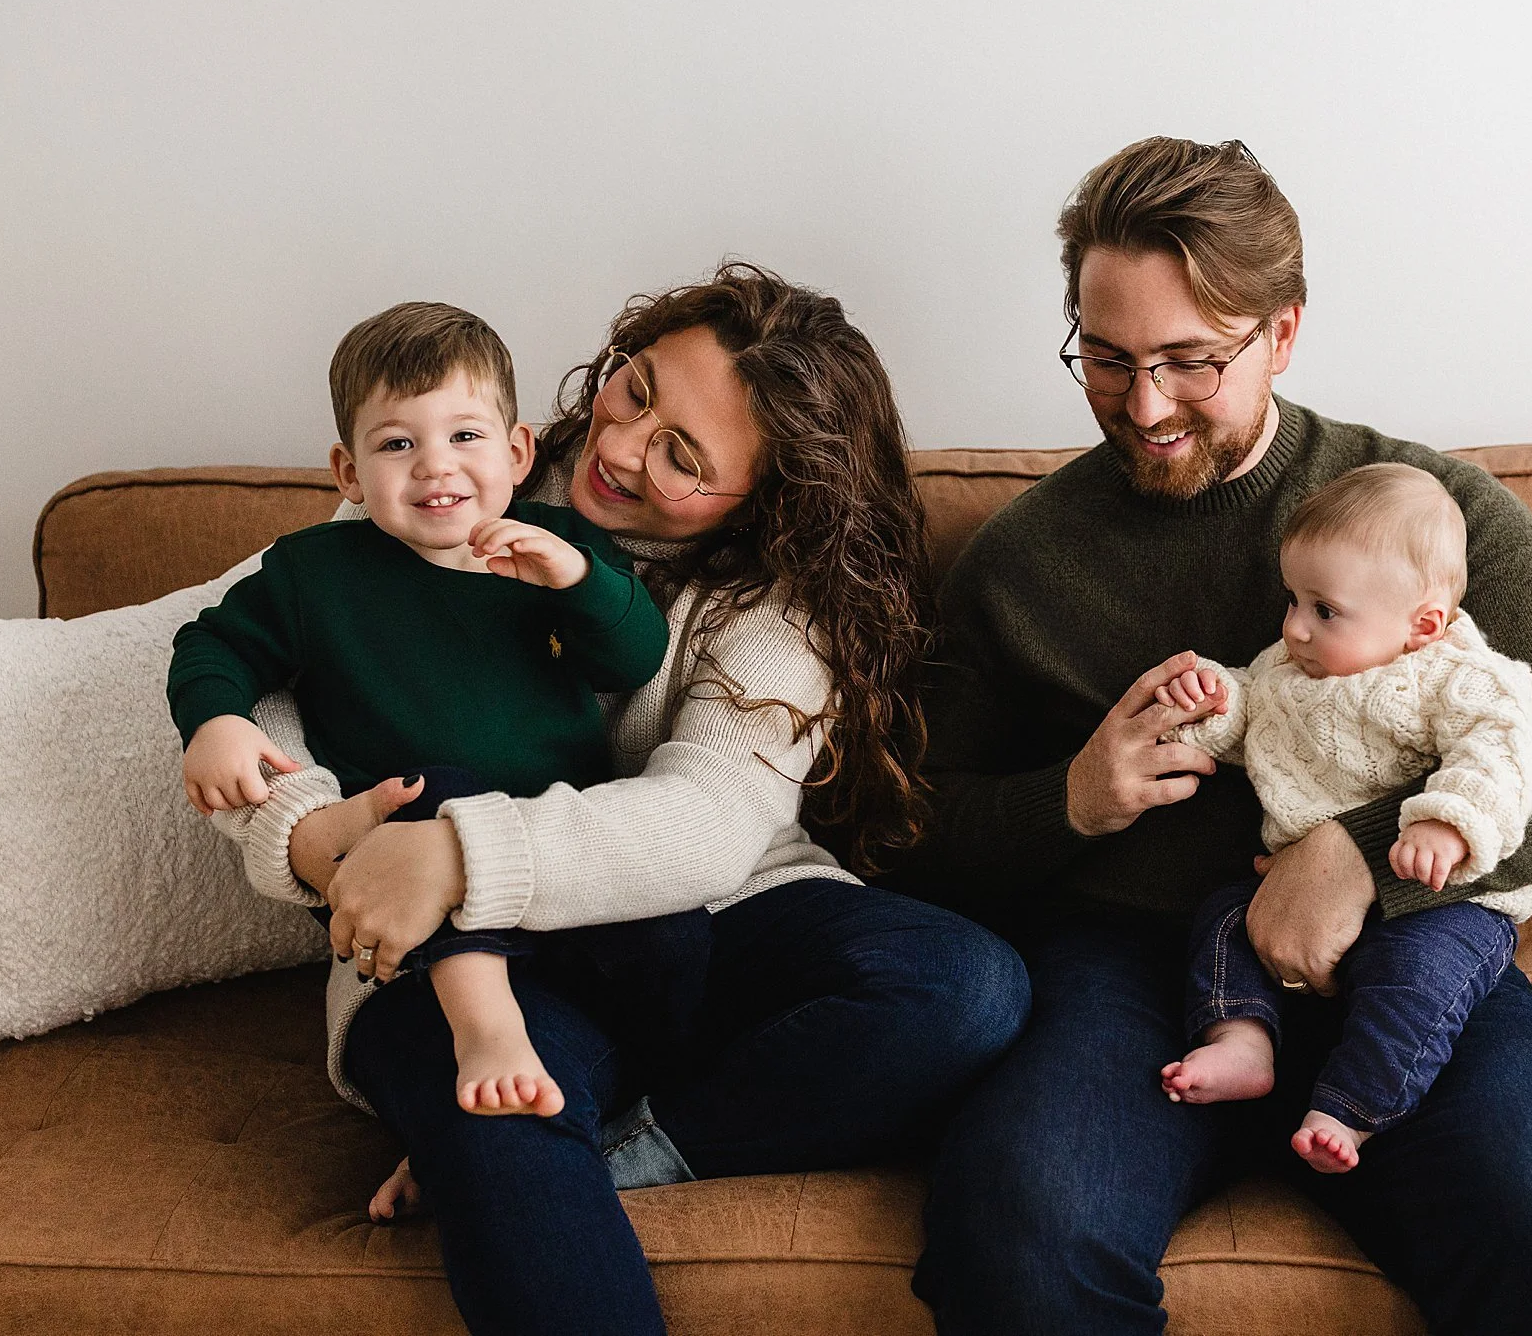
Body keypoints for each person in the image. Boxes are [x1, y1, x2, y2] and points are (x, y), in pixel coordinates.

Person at [898, 138, 1532, 1334]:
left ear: (1281, 333)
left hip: (1412, 955)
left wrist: (1353, 856)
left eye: (1188, 360)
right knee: (1013, 1239)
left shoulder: (1423, 513)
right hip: (1134, 972)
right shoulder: (1020, 564)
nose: (1143, 406)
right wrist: (1067, 800)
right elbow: (911, 826)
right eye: (1104, 359)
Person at [207, 263, 1031, 1335]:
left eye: (683, 456)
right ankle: (530, 1135)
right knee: (494, 1109)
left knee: (966, 987)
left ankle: (629, 1145)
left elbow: (705, 823)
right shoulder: (453, 454)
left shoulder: (779, 605)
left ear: (768, 496)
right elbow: (276, 675)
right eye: (634, 390)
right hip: (462, 960)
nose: (620, 447)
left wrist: (460, 849)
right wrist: (318, 841)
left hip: (702, 918)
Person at [170, 301, 678, 1121]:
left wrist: (582, 585)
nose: (435, 467)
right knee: (432, 790)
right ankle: (487, 1031)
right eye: (398, 443)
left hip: (551, 856)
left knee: (674, 936)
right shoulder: (317, 574)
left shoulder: (553, 547)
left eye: (465, 436)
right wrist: (217, 721)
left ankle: (570, 1111)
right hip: (406, 869)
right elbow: (212, 643)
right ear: (348, 473)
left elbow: (634, 658)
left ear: (517, 451)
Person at [1153, 462, 1532, 1174]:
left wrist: (1447, 822)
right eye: (1294, 599)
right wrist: (1209, 703)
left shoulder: (1457, 674)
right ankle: (1242, 1040)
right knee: (1221, 918)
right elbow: (1252, 715)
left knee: (1417, 979)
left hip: (1439, 897)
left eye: (1323, 609)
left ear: (1421, 624)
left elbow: (1503, 747)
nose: (1295, 626)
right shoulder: (1291, 665)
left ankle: (1353, 1108)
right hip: (1290, 895)